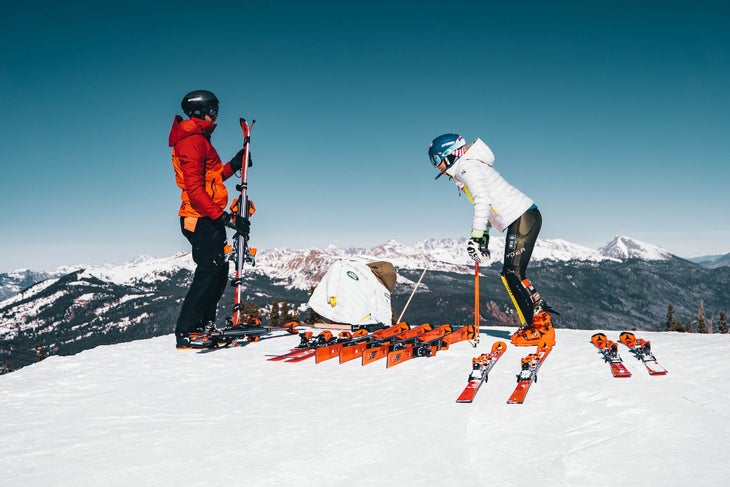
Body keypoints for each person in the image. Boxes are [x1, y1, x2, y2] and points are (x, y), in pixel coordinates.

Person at [427, 133, 555, 347]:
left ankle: (537, 329)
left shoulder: (466, 168)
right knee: (513, 273)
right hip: (523, 216)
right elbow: (488, 207)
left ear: (449, 154)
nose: (435, 166)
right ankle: (538, 320)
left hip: (522, 216)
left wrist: (476, 237)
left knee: (511, 273)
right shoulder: (466, 169)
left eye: (435, 159)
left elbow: (482, 201)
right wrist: (484, 235)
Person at [169, 89, 250, 349]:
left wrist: (234, 165)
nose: (216, 116)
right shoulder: (192, 142)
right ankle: (187, 331)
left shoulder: (201, 140)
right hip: (199, 217)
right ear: (201, 111)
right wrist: (225, 217)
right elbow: (194, 189)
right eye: (213, 110)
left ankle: (203, 325)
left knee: (218, 270)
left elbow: (211, 180)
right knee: (208, 272)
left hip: (208, 216)